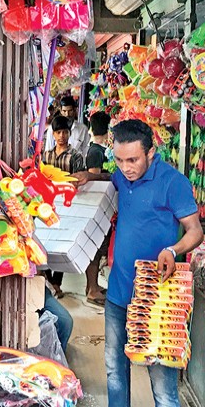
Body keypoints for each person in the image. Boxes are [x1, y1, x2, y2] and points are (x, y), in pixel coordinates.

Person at [71, 119, 204, 407]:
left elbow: (195, 231)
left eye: (133, 160)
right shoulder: (120, 176)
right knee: (114, 364)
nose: (127, 168)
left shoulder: (172, 181)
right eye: (121, 160)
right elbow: (104, 180)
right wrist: (84, 177)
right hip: (119, 288)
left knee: (162, 382)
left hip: (156, 292)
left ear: (150, 152)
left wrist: (173, 251)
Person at [42, 115, 85, 298]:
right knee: (47, 241)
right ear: (53, 134)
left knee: (62, 242)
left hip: (68, 204)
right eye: (58, 132)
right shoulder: (47, 155)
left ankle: (56, 282)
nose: (61, 136)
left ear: (69, 133)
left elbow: (79, 180)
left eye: (65, 132)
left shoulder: (75, 156)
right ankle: (48, 279)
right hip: (48, 204)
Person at [84, 112, 111, 306]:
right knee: (95, 249)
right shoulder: (95, 152)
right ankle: (92, 289)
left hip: (101, 207)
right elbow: (93, 179)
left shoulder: (99, 150)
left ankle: (92, 286)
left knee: (98, 249)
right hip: (96, 207)